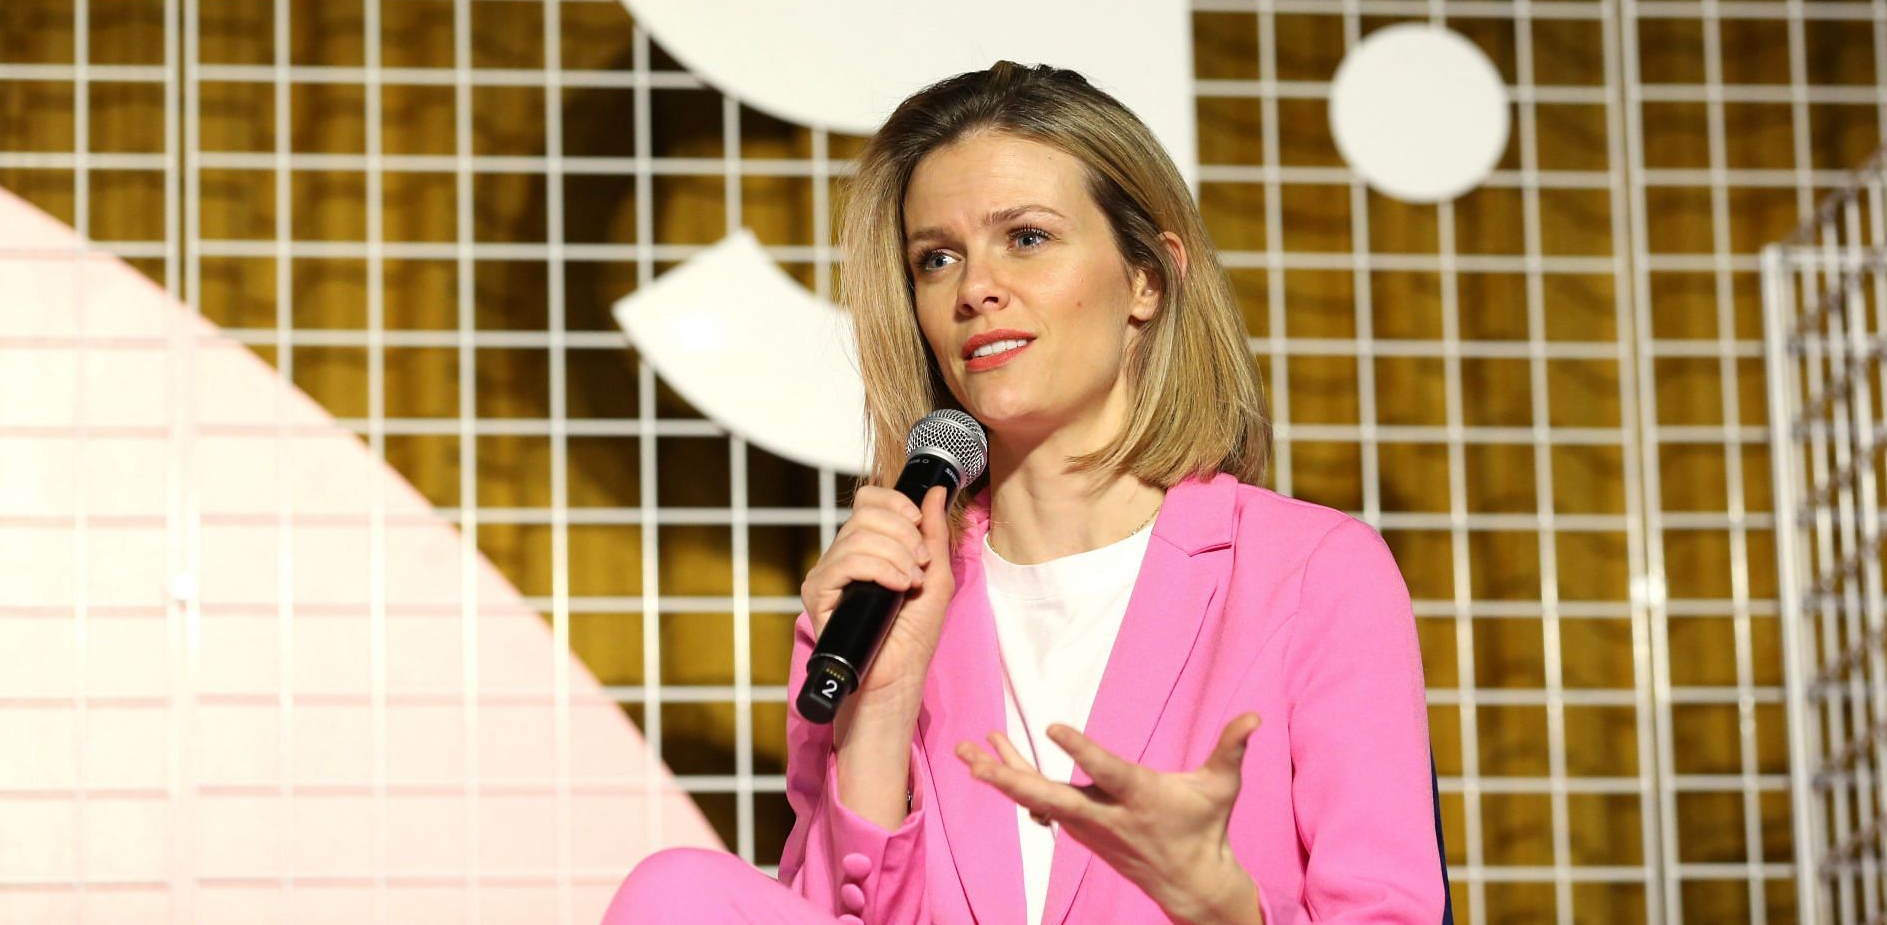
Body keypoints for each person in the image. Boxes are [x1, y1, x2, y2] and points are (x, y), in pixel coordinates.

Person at [606, 62, 1450, 923]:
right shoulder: (879, 595)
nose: (975, 289)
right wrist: (882, 714)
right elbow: (832, 912)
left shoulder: (1312, 572)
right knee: (678, 894)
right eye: (937, 259)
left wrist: (1226, 909)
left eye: (1028, 238)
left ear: (1147, 280)